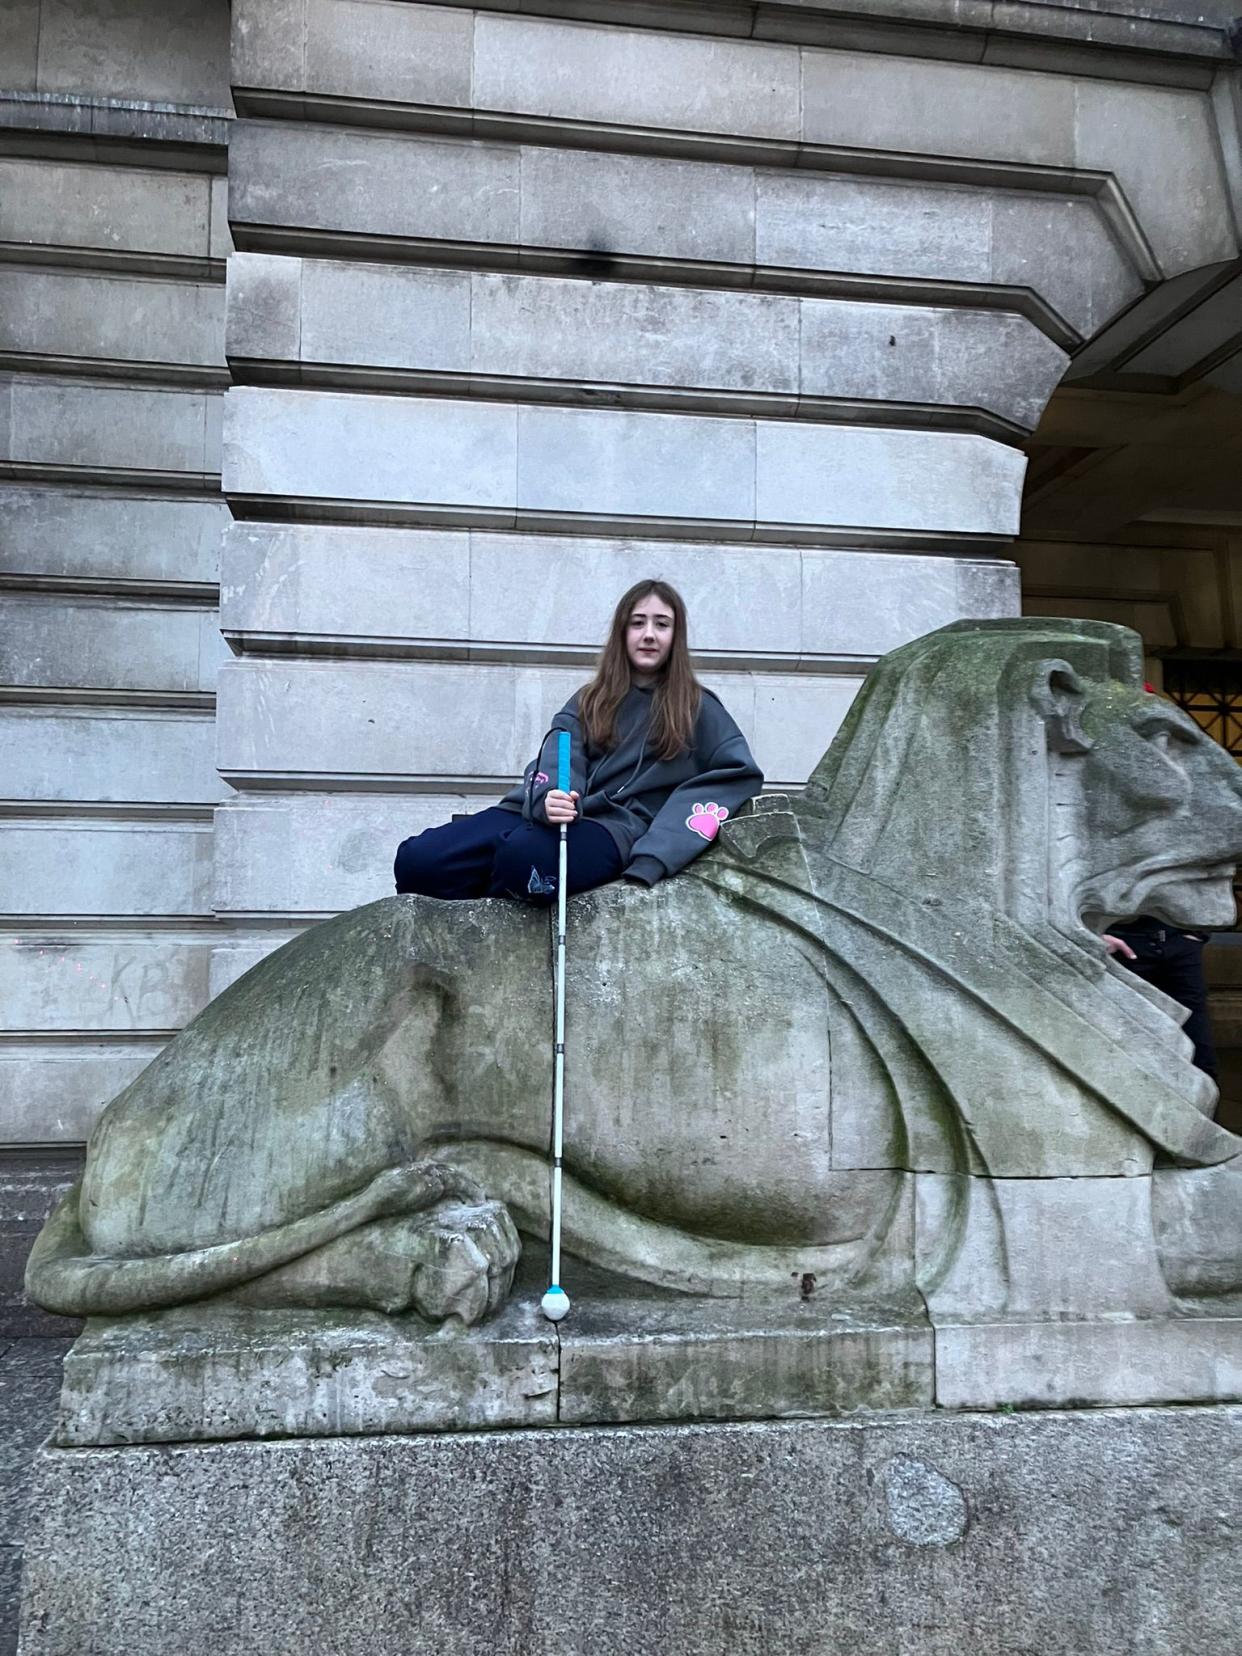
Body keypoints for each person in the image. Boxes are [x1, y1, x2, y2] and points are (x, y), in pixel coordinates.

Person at [394, 580, 763, 905]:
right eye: (638, 623)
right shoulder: (590, 698)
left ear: (674, 637)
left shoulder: (699, 709)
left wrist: (657, 854)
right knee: (420, 861)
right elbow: (561, 751)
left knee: (522, 860)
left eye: (661, 624)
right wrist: (550, 796)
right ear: (622, 633)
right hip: (546, 814)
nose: (649, 634)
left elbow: (735, 776)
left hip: (615, 829)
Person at [1103, 920, 1218, 1083]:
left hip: (1179, 943)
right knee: (1126, 1051)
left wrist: (1196, 933)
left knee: (1200, 1057)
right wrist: (1095, 935)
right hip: (1122, 947)